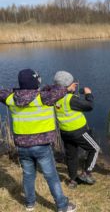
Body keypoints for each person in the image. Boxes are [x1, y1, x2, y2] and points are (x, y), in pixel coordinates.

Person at [0, 69, 76, 212]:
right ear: (36, 82)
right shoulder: (44, 97)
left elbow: (5, 92)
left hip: (22, 147)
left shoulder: (11, 98)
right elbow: (61, 89)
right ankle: (62, 205)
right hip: (42, 146)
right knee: (51, 176)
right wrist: (50, 88)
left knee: (28, 175)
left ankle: (29, 203)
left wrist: (22, 90)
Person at [53, 71, 100, 189]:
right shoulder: (70, 99)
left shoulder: (55, 97)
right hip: (79, 132)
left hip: (65, 132)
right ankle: (86, 173)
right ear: (66, 86)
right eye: (72, 83)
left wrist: (72, 91)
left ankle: (73, 181)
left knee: (71, 156)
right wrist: (88, 94)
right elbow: (89, 106)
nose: (75, 84)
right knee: (94, 149)